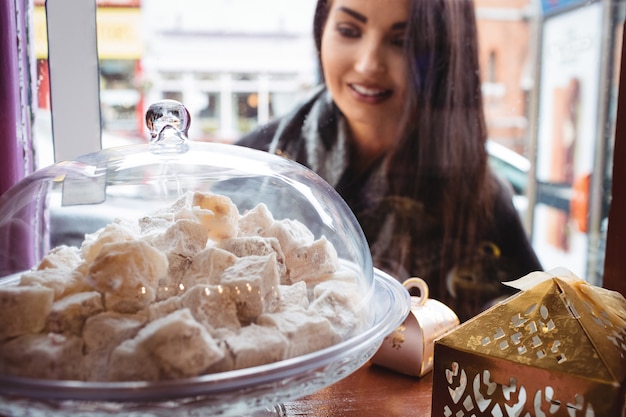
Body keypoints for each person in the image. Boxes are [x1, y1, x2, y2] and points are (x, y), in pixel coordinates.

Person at [236, 0, 542, 321]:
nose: (369, 64)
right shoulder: (257, 160)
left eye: (402, 41)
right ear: (321, 30)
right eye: (349, 30)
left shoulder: (482, 201)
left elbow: (530, 328)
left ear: (443, 57)